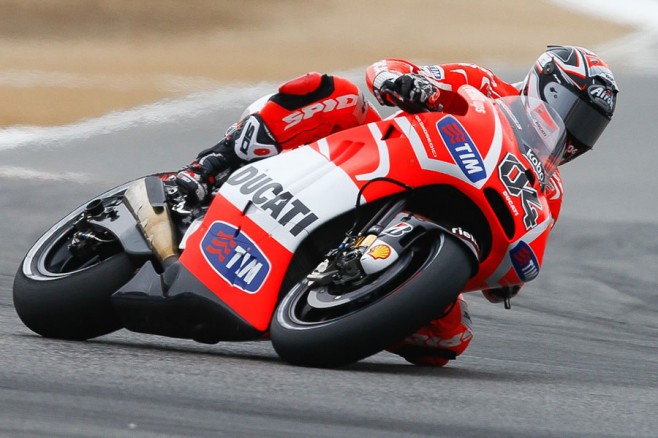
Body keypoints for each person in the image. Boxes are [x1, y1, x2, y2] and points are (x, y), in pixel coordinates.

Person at [172, 45, 618, 366]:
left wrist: (507, 279)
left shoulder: (550, 188)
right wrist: (402, 81)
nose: (577, 133)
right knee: (333, 93)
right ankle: (202, 172)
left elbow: (518, 254)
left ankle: (343, 307)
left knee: (448, 341)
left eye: (590, 126)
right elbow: (390, 69)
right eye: (574, 112)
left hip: (442, 218)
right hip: (380, 158)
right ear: (545, 85)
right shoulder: (483, 84)